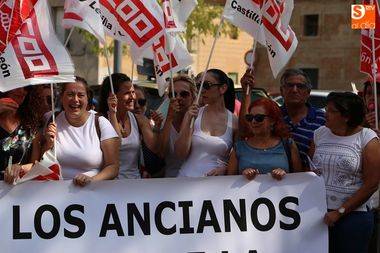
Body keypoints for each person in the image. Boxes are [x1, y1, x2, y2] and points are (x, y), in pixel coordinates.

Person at [309, 92, 380, 253]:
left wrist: (340, 211)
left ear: (346, 116)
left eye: (331, 111)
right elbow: (310, 167)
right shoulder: (319, 133)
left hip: (353, 218)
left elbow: (372, 184)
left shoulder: (367, 138)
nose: (325, 113)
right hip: (319, 215)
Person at [240, 68, 325, 168]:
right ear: (281, 91)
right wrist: (247, 92)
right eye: (290, 85)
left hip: (309, 180)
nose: (294, 90)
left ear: (308, 92)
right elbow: (246, 130)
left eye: (300, 86)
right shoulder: (272, 116)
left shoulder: (322, 119)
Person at [44, 77, 120, 186]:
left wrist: (92, 180)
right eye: (70, 94)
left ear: (88, 99)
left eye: (81, 95)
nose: (75, 99)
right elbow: (41, 164)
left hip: (92, 195)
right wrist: (48, 143)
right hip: (57, 195)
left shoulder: (101, 123)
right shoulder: (51, 121)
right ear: (61, 97)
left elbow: (113, 167)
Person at [175, 69, 238, 177]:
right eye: (199, 85)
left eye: (206, 85)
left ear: (222, 88)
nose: (202, 90)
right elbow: (180, 153)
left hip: (214, 186)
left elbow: (238, 157)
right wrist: (188, 121)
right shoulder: (193, 114)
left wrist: (225, 168)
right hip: (186, 181)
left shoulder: (234, 121)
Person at [227, 98, 302, 179]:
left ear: (272, 120)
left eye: (259, 118)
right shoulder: (239, 147)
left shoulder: (288, 145)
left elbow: (299, 178)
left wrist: (284, 174)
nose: (253, 121)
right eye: (250, 117)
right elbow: (229, 181)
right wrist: (242, 176)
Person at [99, 74, 157, 179]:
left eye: (133, 92)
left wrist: (160, 125)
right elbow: (116, 145)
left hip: (134, 185)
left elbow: (157, 149)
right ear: (112, 96)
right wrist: (112, 114)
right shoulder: (99, 120)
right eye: (127, 93)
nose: (132, 98)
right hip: (109, 186)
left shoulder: (139, 120)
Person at [156, 75, 196, 177]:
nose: (178, 98)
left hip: (194, 181)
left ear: (193, 97)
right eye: (172, 94)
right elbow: (161, 153)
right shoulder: (164, 122)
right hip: (170, 182)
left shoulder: (200, 121)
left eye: (184, 94)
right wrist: (169, 117)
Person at [1, 87, 43, 183]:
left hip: (20, 191)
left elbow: (35, 165)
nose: (21, 91)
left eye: (26, 88)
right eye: (15, 86)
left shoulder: (32, 125)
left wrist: (21, 168)